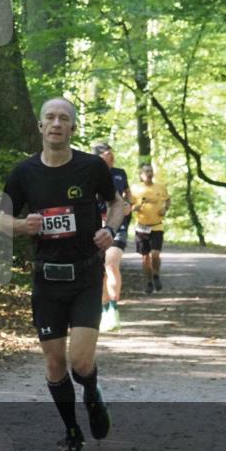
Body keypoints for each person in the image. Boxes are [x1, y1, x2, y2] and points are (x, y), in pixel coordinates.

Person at [0, 98, 127, 451]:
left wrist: (110, 229)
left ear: (72, 127)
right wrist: (22, 225)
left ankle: (92, 393)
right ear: (41, 127)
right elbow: (1, 218)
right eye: (50, 118)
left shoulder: (91, 167)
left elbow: (117, 204)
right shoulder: (24, 172)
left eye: (64, 118)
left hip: (86, 275)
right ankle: (72, 432)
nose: (56, 123)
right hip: (46, 280)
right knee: (55, 364)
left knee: (80, 361)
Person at [93, 142, 133, 332]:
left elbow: (127, 194)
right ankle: (103, 309)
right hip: (96, 226)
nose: (112, 156)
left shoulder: (120, 172)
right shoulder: (89, 173)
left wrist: (128, 204)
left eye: (112, 153)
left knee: (111, 263)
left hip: (118, 224)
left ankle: (113, 309)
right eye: (108, 154)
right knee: (100, 270)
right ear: (100, 156)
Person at [130, 163, 171, 294]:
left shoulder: (160, 187)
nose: (149, 173)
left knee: (155, 255)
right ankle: (148, 282)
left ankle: (156, 275)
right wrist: (136, 207)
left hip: (157, 225)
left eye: (151, 171)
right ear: (141, 175)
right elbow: (129, 206)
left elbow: (168, 200)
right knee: (145, 257)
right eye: (146, 171)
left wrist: (165, 208)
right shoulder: (135, 188)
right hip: (141, 227)